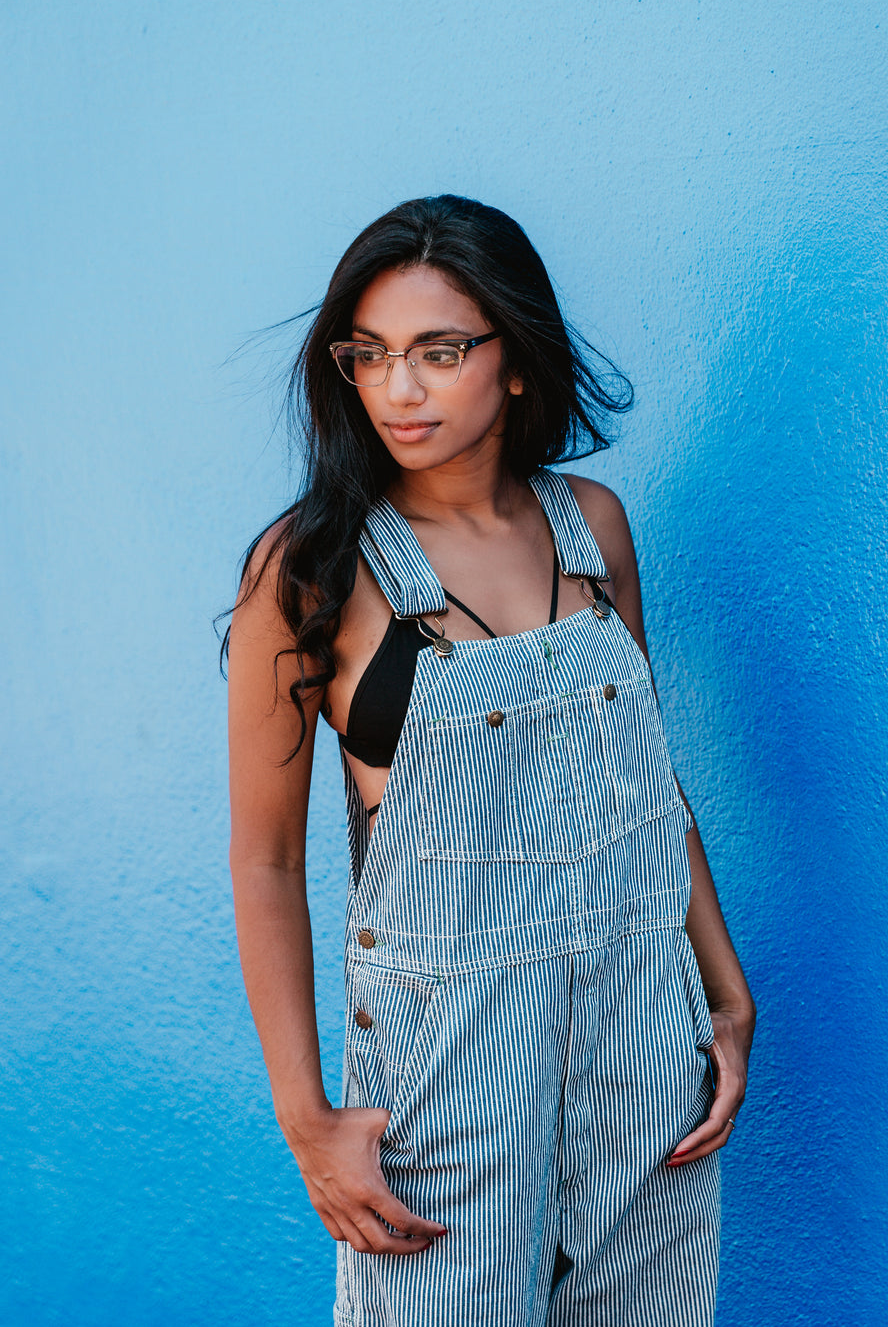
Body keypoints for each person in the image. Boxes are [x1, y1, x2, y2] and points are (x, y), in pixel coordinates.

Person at [226, 194, 755, 1326]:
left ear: (515, 362)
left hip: (638, 1021)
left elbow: (645, 781)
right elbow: (263, 862)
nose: (398, 389)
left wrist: (723, 987)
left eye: (438, 351)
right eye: (368, 356)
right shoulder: (310, 568)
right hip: (445, 1053)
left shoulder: (593, 530)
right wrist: (306, 1119)